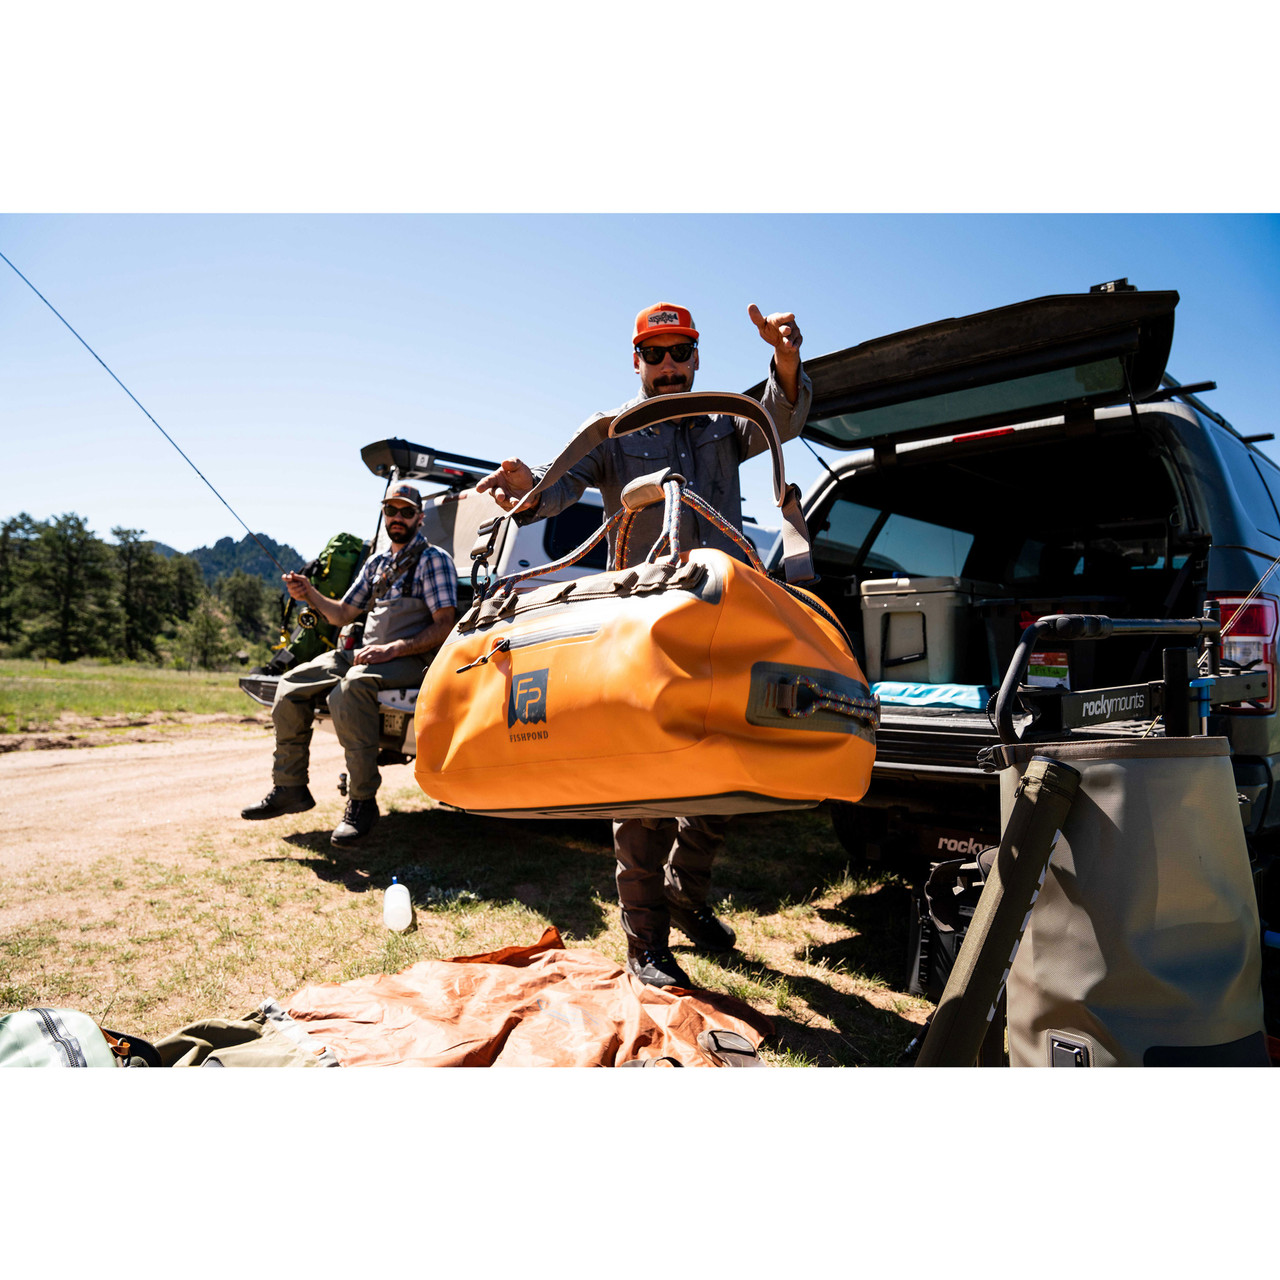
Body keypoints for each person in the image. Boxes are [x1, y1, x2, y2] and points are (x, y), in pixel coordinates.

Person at [475, 301, 812, 988]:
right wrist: (525, 493)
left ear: (696, 359)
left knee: (728, 765)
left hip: (723, 612)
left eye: (678, 353)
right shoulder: (615, 434)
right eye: (654, 355)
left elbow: (784, 419)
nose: (667, 366)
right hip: (645, 623)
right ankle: (646, 944)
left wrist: (784, 361)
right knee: (646, 778)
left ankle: (687, 897)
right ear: (636, 362)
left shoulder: (726, 421)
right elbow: (558, 489)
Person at [241, 482, 458, 847]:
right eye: (392, 510)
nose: (398, 517)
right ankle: (290, 787)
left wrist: (392, 649)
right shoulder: (376, 562)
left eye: (406, 512)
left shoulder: (434, 560)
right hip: (367, 654)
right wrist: (308, 592)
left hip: (413, 658)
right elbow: (342, 614)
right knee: (290, 684)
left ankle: (361, 802)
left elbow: (445, 625)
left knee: (350, 688)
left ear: (420, 518)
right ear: (384, 515)